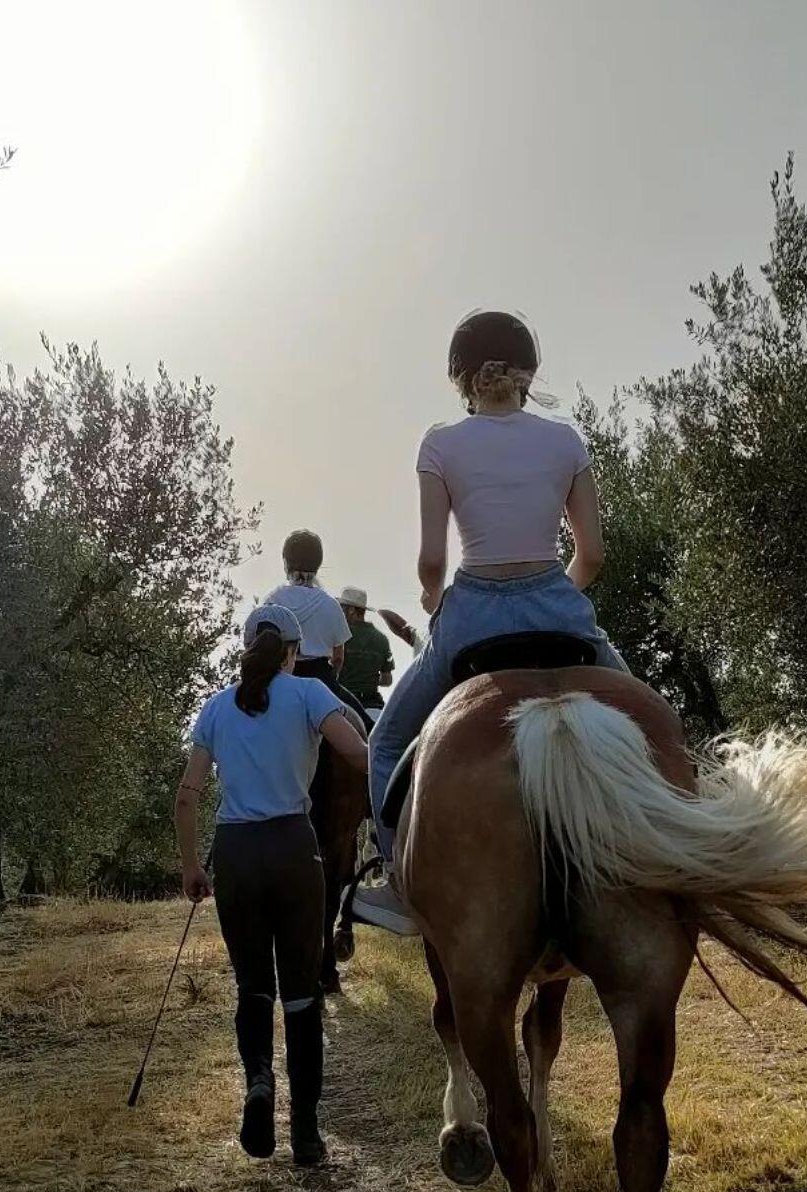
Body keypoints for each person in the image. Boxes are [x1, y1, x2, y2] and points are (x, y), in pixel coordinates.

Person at [354, 310, 627, 934]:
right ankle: (683, 838)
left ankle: (400, 881)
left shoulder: (441, 443)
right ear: (528, 373)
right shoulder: (565, 440)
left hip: (472, 618)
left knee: (387, 743)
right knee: (653, 717)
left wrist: (431, 599)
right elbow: (594, 553)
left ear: (462, 378)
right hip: (560, 609)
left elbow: (432, 560)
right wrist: (560, 596)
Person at [176, 602, 369, 1165]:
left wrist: (192, 866)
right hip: (291, 846)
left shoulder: (214, 709)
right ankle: (306, 1133)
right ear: (293, 652)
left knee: (254, 987)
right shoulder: (308, 694)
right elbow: (356, 755)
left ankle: (259, 1083)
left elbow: (187, 796)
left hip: (235, 853)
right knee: (303, 993)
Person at [262, 530, 368, 729]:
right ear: (318, 565)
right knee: (368, 728)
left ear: (286, 562)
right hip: (321, 678)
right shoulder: (330, 604)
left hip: (280, 678)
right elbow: (338, 657)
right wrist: (331, 680)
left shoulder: (272, 601)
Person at [334, 587, 395, 713]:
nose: (339, 611)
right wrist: (368, 678)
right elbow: (387, 680)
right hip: (373, 706)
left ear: (351, 610)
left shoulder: (340, 635)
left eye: (342, 608)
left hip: (344, 705)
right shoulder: (382, 639)